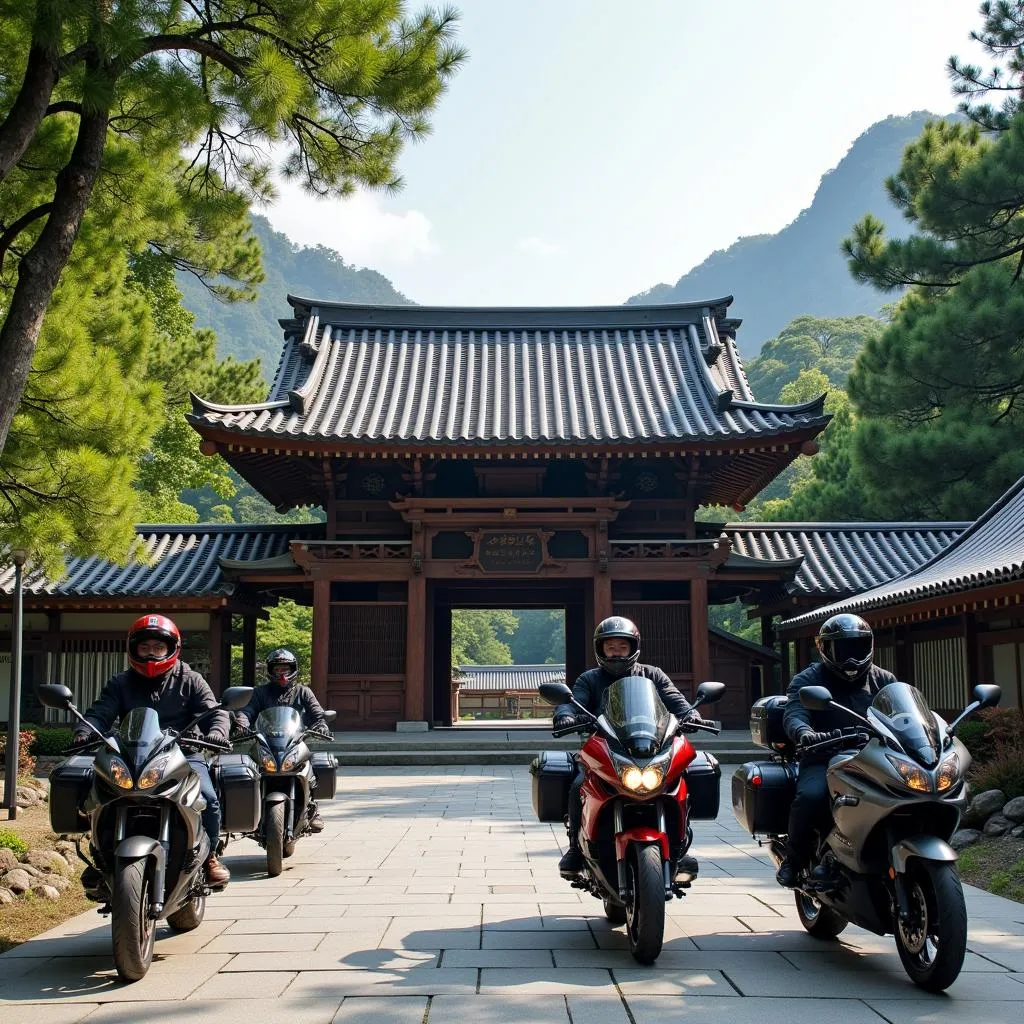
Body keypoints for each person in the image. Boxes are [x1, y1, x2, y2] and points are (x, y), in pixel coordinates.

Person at [72, 614, 232, 887]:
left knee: (207, 797)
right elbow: (100, 712)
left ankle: (209, 856)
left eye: (158, 648)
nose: (151, 654)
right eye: (144, 647)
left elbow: (214, 712)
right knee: (98, 796)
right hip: (132, 755)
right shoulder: (121, 682)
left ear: (172, 648)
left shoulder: (190, 679)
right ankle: (100, 857)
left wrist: (216, 733)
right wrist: (84, 731)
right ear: (133, 649)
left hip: (183, 753)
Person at [552, 615, 713, 875]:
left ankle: (680, 845)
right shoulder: (589, 679)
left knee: (685, 778)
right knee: (576, 783)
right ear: (600, 649)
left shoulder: (653, 674)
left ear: (633, 647)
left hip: (651, 746)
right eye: (610, 647)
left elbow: (675, 700)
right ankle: (574, 847)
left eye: (622, 647)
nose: (616, 653)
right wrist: (565, 715)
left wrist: (691, 714)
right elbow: (572, 701)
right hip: (604, 748)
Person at [775, 612, 898, 888]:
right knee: (812, 796)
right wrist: (805, 733)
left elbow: (904, 713)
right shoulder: (808, 679)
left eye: (857, 647)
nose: (851, 657)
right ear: (825, 649)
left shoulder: (884, 679)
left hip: (876, 757)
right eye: (842, 649)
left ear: (869, 646)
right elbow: (794, 712)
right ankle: (794, 859)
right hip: (824, 756)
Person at [233, 648, 331, 832]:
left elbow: (317, 714)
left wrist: (321, 724)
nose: (282, 673)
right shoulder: (259, 692)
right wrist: (241, 723)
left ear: (293, 669)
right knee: (249, 769)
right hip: (266, 742)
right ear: (270, 670)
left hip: (294, 742)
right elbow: (247, 711)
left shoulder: (303, 692)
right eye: (277, 669)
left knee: (312, 764)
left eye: (285, 668)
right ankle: (250, 807)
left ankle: (313, 808)